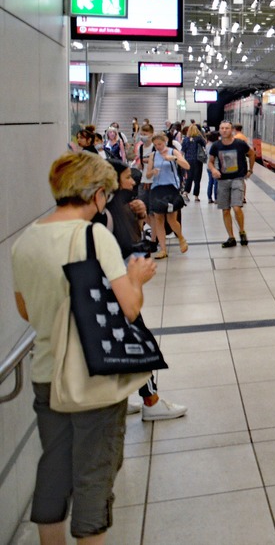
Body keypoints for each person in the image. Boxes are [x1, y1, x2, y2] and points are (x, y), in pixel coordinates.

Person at [11, 151, 158, 544]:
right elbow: (128, 308)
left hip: (47, 376)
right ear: (95, 194)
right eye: (105, 196)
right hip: (92, 376)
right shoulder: (93, 236)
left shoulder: (26, 240)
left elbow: (26, 309)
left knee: (54, 471)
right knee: (94, 478)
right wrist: (137, 276)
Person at [97, 160, 187, 422]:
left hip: (118, 288)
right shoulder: (104, 216)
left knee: (131, 344)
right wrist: (133, 281)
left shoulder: (115, 209)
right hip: (117, 291)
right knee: (139, 343)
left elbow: (131, 241)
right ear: (113, 182)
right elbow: (124, 248)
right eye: (127, 178)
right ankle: (151, 401)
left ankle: (128, 398)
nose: (133, 182)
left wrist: (137, 216)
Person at [208, 121, 254, 247]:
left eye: (227, 128)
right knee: (225, 210)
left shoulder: (240, 144)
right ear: (219, 130)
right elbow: (210, 162)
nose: (224, 130)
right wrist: (213, 170)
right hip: (222, 181)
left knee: (236, 207)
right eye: (222, 128)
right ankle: (231, 237)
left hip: (237, 179)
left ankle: (242, 231)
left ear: (231, 130)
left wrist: (250, 170)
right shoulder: (216, 146)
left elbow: (252, 154)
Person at [144, 132, 189, 259]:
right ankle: (163, 249)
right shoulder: (153, 155)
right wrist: (152, 172)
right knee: (158, 219)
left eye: (160, 144)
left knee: (171, 219)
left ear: (165, 141)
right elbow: (148, 175)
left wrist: (175, 159)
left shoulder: (173, 152)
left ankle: (181, 238)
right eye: (155, 145)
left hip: (171, 188)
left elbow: (187, 166)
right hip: (157, 188)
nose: (158, 147)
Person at [181, 124, 207, 201]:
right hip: (198, 160)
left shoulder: (185, 139)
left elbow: (182, 151)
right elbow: (205, 144)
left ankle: (185, 192)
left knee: (189, 177)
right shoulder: (199, 138)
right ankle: (196, 196)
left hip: (188, 160)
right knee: (197, 178)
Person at [205, 130, 220, 203]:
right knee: (216, 183)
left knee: (210, 182)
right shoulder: (216, 145)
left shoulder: (207, 144)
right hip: (215, 166)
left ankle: (209, 198)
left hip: (208, 166)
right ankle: (216, 198)